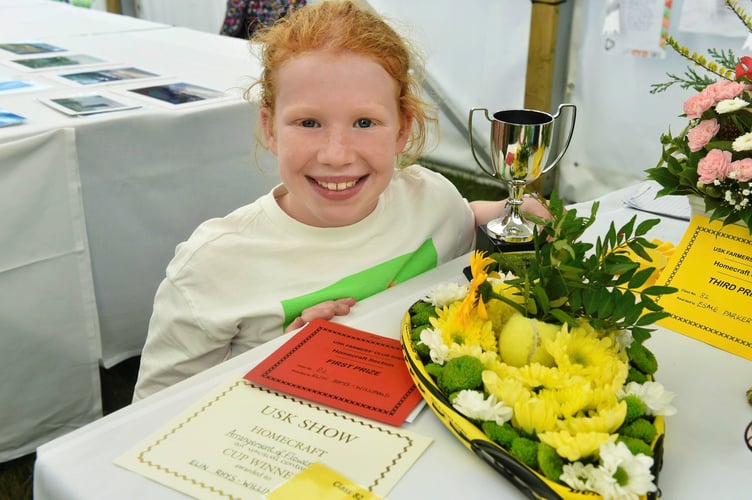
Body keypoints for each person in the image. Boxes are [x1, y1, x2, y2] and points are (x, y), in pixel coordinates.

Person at [133, 0, 548, 400]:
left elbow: (463, 220)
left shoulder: (432, 200)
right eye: (308, 122)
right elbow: (147, 418)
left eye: (365, 122)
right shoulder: (211, 267)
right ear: (271, 128)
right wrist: (276, 363)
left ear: (402, 130)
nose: (336, 154)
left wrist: (508, 211)